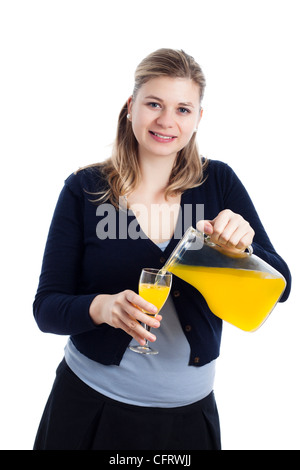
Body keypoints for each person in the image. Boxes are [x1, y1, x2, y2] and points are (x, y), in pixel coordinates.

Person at [33, 48, 291, 450]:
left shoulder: (218, 182)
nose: (167, 121)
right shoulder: (84, 189)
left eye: (183, 109)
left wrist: (245, 246)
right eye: (154, 103)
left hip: (188, 420)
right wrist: (103, 308)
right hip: (87, 409)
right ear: (131, 106)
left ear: (198, 118)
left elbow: (283, 284)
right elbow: (46, 308)